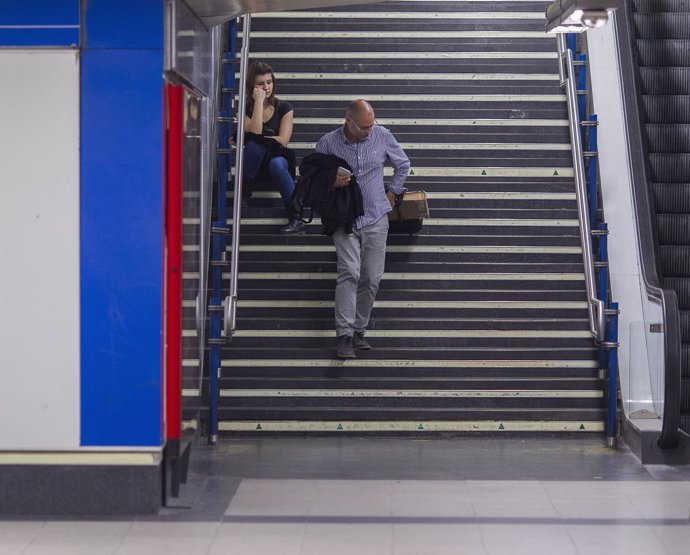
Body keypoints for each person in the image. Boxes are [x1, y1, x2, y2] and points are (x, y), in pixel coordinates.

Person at [315, 99, 410, 359]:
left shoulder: (382, 136)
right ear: (348, 120)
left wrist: (393, 192)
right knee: (349, 272)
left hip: (376, 217)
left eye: (372, 125)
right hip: (343, 219)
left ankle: (359, 331)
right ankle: (343, 336)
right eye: (364, 127)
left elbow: (403, 164)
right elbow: (312, 176)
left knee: (371, 278)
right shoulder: (326, 143)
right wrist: (331, 182)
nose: (370, 131)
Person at [242, 61, 303, 234]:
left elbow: (283, 140)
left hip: (278, 160)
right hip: (254, 165)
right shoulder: (244, 109)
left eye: (269, 82)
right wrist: (259, 103)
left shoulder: (284, 108)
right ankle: (245, 191)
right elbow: (255, 132)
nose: (266, 87)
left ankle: (296, 218)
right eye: (260, 84)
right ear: (251, 86)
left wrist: (259, 136)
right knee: (254, 146)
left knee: (273, 160)